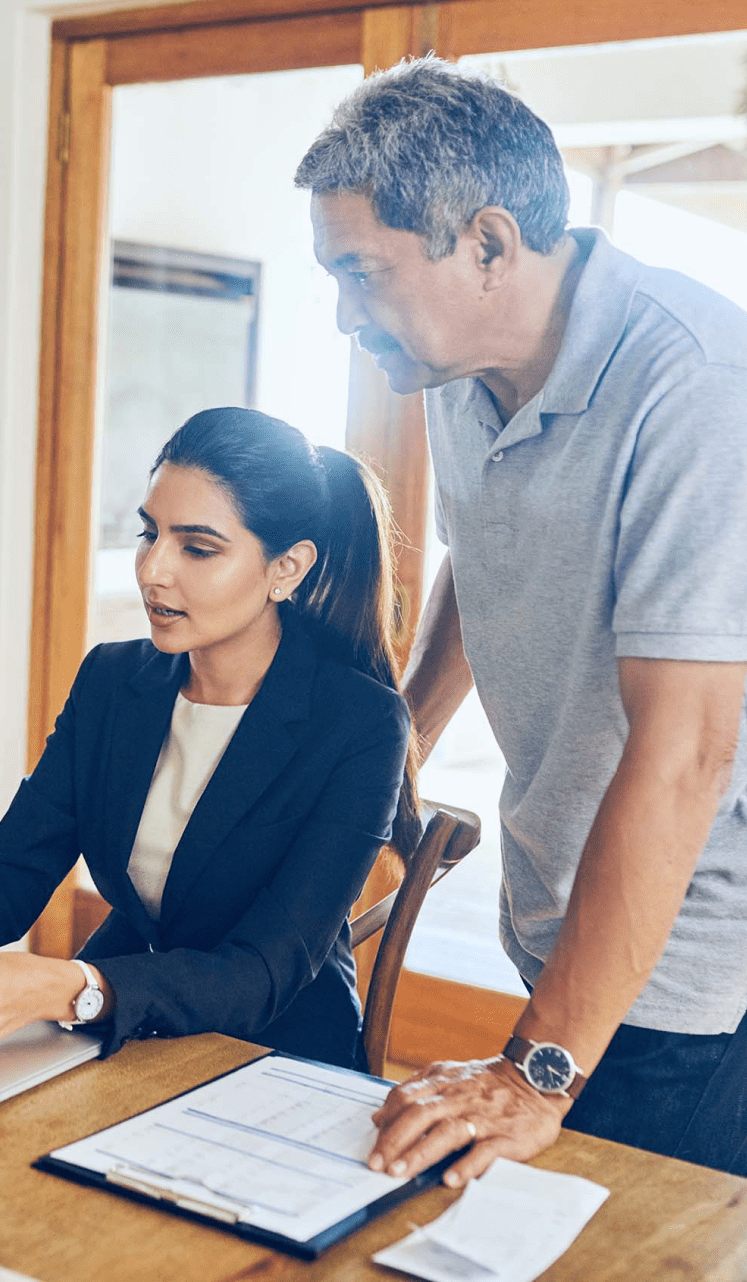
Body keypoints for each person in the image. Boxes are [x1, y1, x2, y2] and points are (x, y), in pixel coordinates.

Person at [296, 57, 747, 1179]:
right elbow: (477, 548)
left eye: (365, 275)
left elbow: (688, 750)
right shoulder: (458, 369)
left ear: (488, 245)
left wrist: (537, 1066)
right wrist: (406, 726)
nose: (346, 316)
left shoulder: (695, 388)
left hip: (695, 963)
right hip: (560, 906)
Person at [0, 407, 419, 1066]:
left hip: (276, 1057)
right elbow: (4, 881)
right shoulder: (115, 682)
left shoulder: (359, 725)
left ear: (286, 569)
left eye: (198, 548)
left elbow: (261, 972)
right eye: (150, 533)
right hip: (130, 1039)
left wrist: (74, 986)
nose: (154, 570)